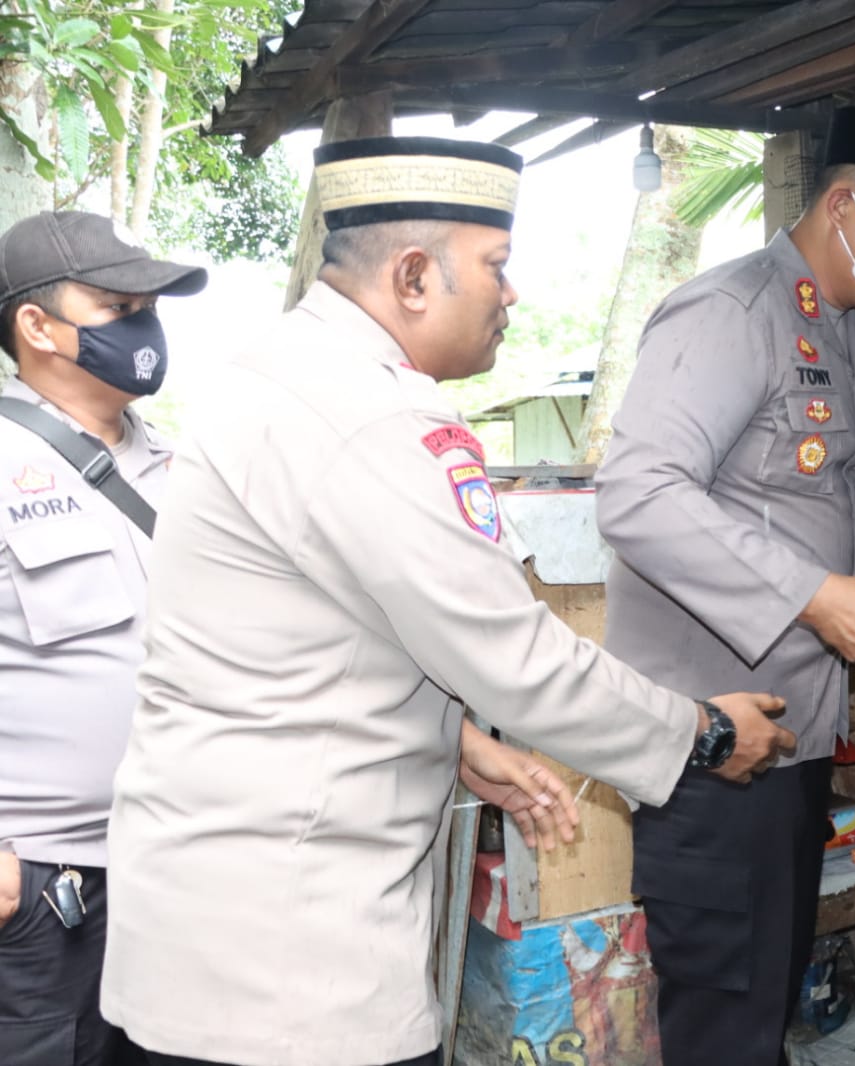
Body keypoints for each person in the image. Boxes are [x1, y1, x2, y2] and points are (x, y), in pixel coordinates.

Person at [98, 137, 794, 1066]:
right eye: (497, 268)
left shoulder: (275, 372)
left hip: (204, 926)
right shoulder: (373, 416)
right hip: (287, 968)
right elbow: (519, 662)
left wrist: (451, 740)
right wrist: (703, 733)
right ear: (415, 276)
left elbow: (301, 639)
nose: (513, 295)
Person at [595, 106, 855, 1064]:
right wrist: (812, 594)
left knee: (763, 1002)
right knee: (721, 1022)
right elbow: (638, 494)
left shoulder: (851, 335)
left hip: (796, 742)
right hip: (710, 749)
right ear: (842, 204)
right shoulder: (731, 313)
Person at [0, 210, 208, 1066]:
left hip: (168, 870)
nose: (143, 325)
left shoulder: (175, 464)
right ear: (38, 326)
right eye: (115, 306)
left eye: (144, 306)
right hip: (44, 888)